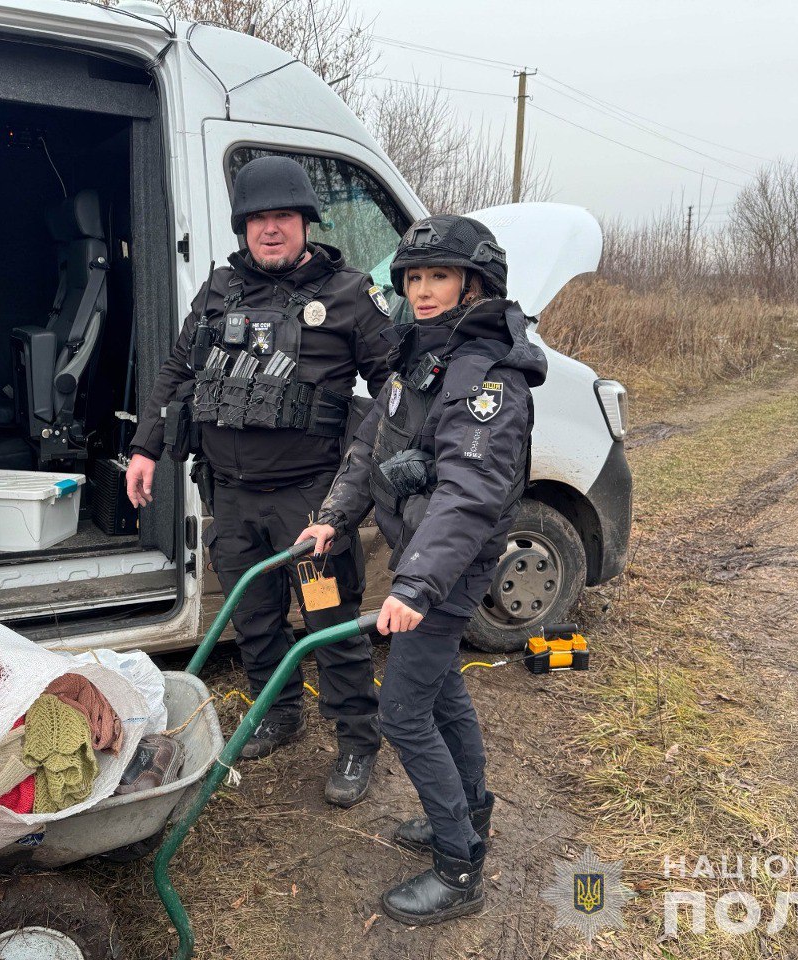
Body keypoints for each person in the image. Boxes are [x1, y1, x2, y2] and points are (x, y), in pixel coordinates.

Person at [296, 214, 546, 924]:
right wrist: (333, 517)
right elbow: (371, 444)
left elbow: (468, 496)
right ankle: (467, 817)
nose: (424, 289)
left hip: (448, 567)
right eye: (414, 277)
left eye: (439, 276)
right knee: (440, 698)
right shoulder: (419, 358)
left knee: (402, 714)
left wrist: (414, 585)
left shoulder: (486, 376)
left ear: (475, 284)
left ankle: (459, 868)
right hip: (424, 562)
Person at [126, 156, 394, 806]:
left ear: (305, 222)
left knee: (328, 618)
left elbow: (396, 391)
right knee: (256, 619)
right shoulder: (219, 290)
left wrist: (361, 484)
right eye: (257, 220)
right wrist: (144, 448)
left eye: (283, 217)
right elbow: (178, 370)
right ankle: (279, 715)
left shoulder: (352, 294)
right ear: (243, 227)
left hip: (311, 503)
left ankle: (357, 740)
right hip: (233, 496)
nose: (270, 230)